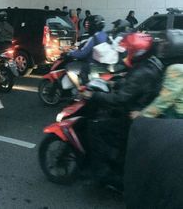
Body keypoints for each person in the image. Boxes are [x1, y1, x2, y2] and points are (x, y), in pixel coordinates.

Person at [81, 32, 163, 187]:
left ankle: (103, 173)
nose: (127, 53)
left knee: (95, 128)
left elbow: (120, 99)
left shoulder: (143, 71)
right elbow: (132, 84)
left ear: (138, 52)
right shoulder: (151, 63)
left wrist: (94, 96)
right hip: (141, 111)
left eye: (130, 50)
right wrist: (115, 83)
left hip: (134, 116)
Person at [66, 15, 107, 85]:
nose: (87, 26)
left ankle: (81, 89)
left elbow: (83, 53)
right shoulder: (105, 35)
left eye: (88, 24)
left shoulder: (94, 38)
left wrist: (70, 53)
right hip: (103, 64)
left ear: (93, 25)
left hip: (92, 64)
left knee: (69, 67)